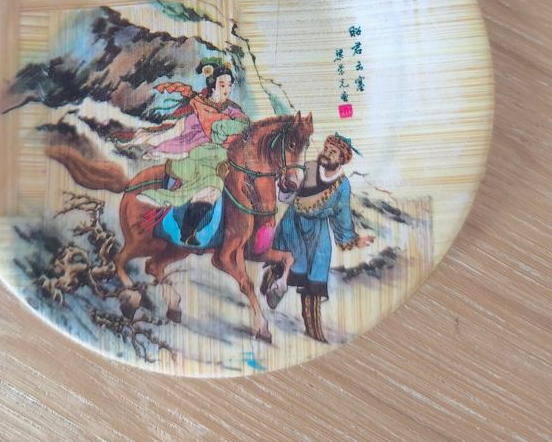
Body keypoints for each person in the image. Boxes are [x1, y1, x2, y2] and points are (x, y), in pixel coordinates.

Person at [119, 58, 250, 245]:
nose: (226, 89)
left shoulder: (233, 111)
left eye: (229, 85)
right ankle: (187, 231)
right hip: (197, 157)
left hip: (224, 157)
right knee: (212, 186)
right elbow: (181, 132)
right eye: (222, 85)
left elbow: (245, 126)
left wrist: (225, 127)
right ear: (212, 85)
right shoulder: (197, 107)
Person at [268, 133, 374, 303]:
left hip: (317, 229)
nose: (327, 153)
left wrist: (354, 241)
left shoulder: (342, 186)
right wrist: (286, 187)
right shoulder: (308, 168)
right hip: (293, 222)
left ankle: (311, 301)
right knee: (290, 256)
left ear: (342, 159)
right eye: (326, 149)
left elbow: (342, 216)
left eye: (333, 152)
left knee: (320, 257)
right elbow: (287, 196)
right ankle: (277, 286)